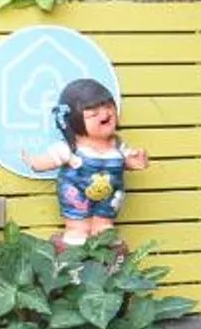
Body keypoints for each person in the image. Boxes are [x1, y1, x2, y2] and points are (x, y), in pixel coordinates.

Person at [27, 77, 147, 248]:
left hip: (109, 196)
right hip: (77, 193)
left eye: (108, 106)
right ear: (74, 120)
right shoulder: (72, 147)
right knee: (78, 222)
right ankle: (77, 230)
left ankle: (103, 230)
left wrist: (136, 161)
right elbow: (50, 160)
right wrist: (35, 162)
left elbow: (128, 161)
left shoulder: (117, 144)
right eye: (93, 113)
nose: (105, 114)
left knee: (104, 222)